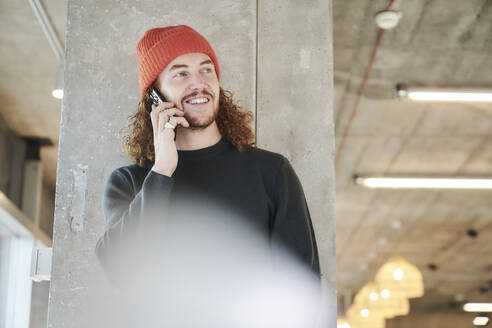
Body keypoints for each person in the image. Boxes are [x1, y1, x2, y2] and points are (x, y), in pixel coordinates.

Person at [95, 25, 321, 326]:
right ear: (154, 96)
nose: (199, 83)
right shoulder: (130, 182)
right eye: (180, 73)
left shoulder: (271, 172)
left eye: (206, 70)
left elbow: (301, 289)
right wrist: (162, 170)